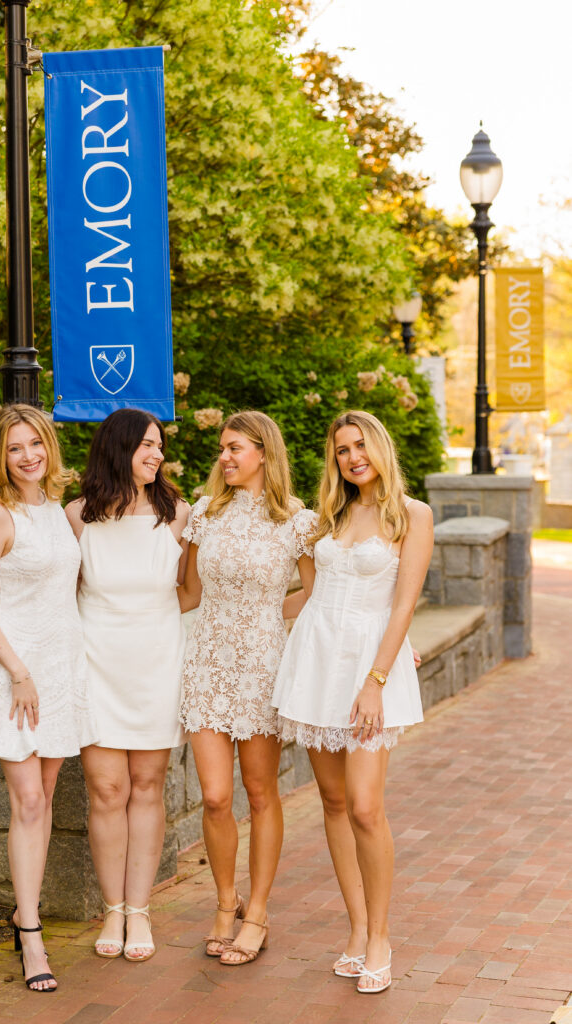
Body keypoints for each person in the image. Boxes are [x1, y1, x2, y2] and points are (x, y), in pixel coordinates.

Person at [272, 410, 433, 994]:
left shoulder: (412, 516)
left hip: (370, 667)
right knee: (335, 802)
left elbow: (403, 605)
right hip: (317, 662)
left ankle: (383, 936)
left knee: (366, 806)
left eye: (361, 445)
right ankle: (358, 929)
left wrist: (378, 679)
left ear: (380, 449)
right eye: (342, 450)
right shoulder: (323, 518)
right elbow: (307, 594)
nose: (352, 456)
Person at [0, 404, 98, 993]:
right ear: (0, 455)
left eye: (35, 443)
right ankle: (31, 934)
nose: (28, 456)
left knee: (46, 798)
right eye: (15, 448)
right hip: (16, 673)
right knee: (29, 801)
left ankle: (23, 912)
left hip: (61, 669)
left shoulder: (63, 514)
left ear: (49, 448)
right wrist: (17, 671)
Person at [177, 410, 316, 966]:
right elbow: (185, 593)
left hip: (262, 666)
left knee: (260, 794)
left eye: (236, 448)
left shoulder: (297, 521)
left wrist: (264, 615)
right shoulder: (203, 514)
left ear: (264, 452)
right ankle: (224, 902)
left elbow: (315, 591)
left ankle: (256, 911)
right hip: (207, 663)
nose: (225, 458)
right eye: (222, 449)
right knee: (214, 796)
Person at [65, 408, 189, 963]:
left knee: (147, 784)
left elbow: (191, 592)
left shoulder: (177, 514)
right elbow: (63, 594)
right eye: (145, 445)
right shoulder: (76, 517)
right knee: (107, 790)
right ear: (117, 449)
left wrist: (152, 623)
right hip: (97, 663)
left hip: (157, 662)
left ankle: (139, 912)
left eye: (159, 445)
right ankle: (112, 908)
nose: (157, 454)